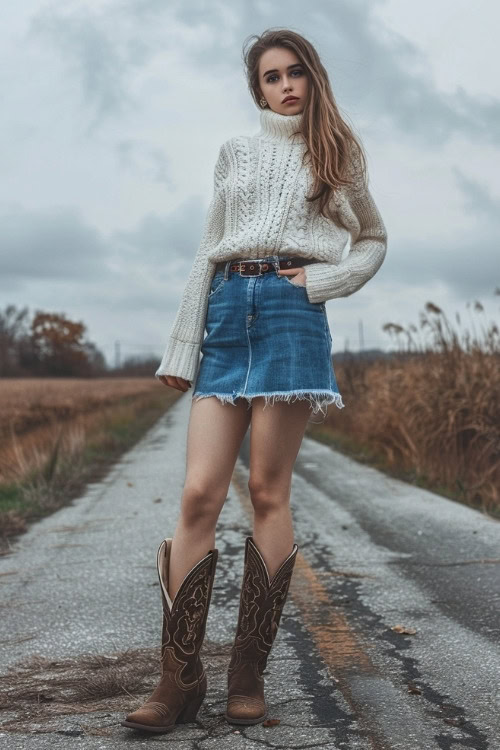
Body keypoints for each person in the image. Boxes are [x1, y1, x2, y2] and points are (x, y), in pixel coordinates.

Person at [122, 28, 387, 734]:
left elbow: (374, 240)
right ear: (257, 90)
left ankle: (247, 671)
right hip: (227, 309)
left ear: (314, 77)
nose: (286, 86)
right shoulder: (234, 152)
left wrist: (324, 281)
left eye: (295, 72)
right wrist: (184, 344)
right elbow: (210, 247)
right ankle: (177, 680)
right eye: (271, 78)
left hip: (291, 312)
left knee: (267, 491)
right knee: (200, 491)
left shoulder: (338, 154)